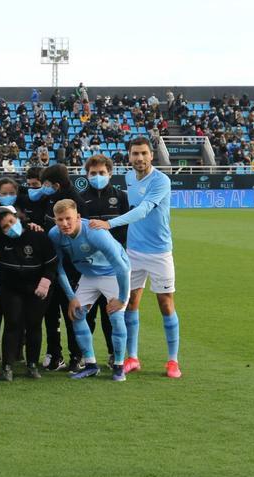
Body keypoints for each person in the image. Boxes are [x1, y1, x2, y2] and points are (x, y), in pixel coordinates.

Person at [89, 136, 181, 378]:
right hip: (134, 251)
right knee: (130, 302)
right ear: (129, 157)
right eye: (135, 154)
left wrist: (109, 223)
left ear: (152, 155)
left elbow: (142, 210)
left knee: (166, 304)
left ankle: (173, 361)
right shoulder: (129, 177)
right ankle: (132, 357)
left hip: (160, 251)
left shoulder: (161, 180)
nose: (139, 158)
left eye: (143, 153)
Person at [0, 206, 57, 381]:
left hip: (38, 287)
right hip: (11, 288)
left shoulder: (37, 234)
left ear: (18, 218)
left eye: (11, 221)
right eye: (4, 226)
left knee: (34, 324)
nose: (10, 227)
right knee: (12, 324)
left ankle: (32, 365)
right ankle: (7, 367)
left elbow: (51, 262)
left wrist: (46, 281)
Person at [49, 199, 130, 381]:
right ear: (55, 220)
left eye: (68, 218)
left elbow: (121, 268)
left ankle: (118, 366)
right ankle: (91, 365)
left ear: (78, 217)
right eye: (60, 219)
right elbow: (58, 267)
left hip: (113, 273)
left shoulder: (94, 233)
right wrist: (72, 297)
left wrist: (122, 299)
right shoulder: (55, 235)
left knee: (116, 317)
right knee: (76, 314)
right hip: (89, 275)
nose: (64, 223)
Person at [37, 164, 87, 371]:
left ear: (56, 185)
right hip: (51, 265)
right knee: (51, 313)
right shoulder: (51, 197)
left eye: (46, 184)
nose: (43, 188)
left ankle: (77, 355)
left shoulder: (73, 202)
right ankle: (56, 354)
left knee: (71, 313)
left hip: (70, 267)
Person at [81, 154, 129, 365]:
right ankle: (85, 355)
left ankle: (113, 354)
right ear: (87, 175)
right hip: (88, 266)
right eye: (93, 173)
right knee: (87, 314)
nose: (97, 176)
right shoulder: (80, 198)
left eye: (102, 173)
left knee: (111, 312)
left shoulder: (120, 197)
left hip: (113, 265)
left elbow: (126, 227)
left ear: (110, 173)